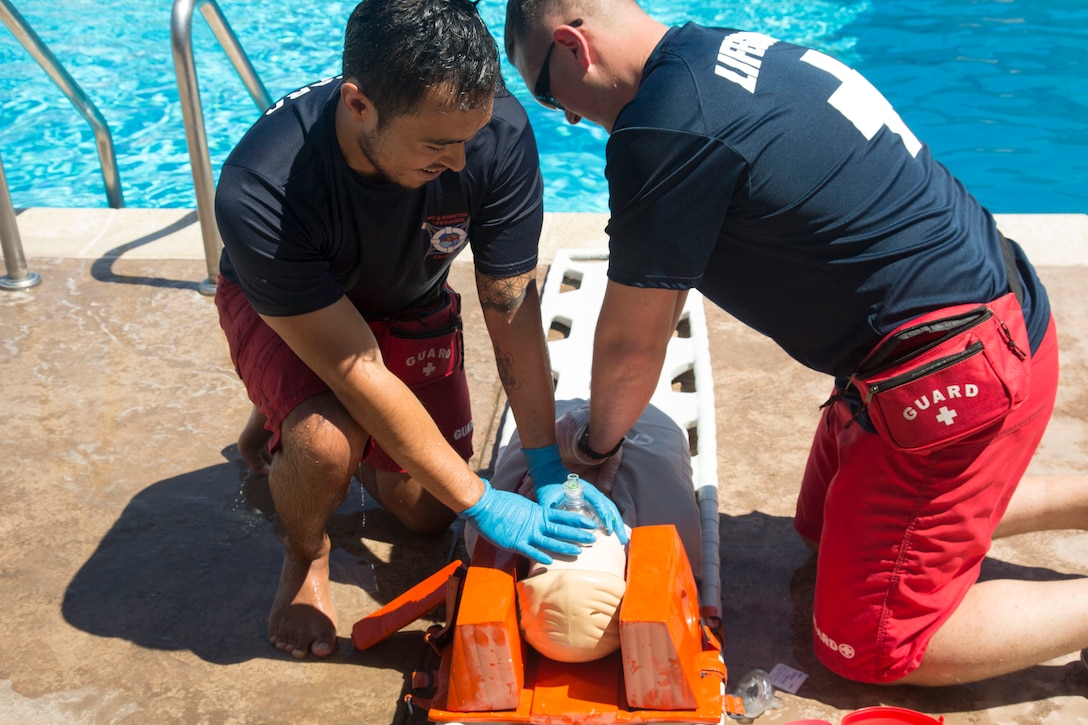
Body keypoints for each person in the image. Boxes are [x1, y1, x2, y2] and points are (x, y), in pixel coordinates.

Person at [504, 0, 1088, 686]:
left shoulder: (662, 126)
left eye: (548, 93)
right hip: (975, 330)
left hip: (955, 379)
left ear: (574, 46)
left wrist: (596, 448)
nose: (566, 116)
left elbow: (634, 344)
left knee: (862, 641)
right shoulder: (720, 53)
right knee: (823, 527)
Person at [213, 0, 624, 660]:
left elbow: (510, 306)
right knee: (325, 443)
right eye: (437, 146)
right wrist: (483, 500)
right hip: (301, 314)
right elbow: (357, 368)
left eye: (470, 137)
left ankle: (284, 411)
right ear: (357, 107)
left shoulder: (493, 137)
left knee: (429, 509)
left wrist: (547, 462)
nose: (463, 164)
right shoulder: (262, 187)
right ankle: (304, 553)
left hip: (407, 296)